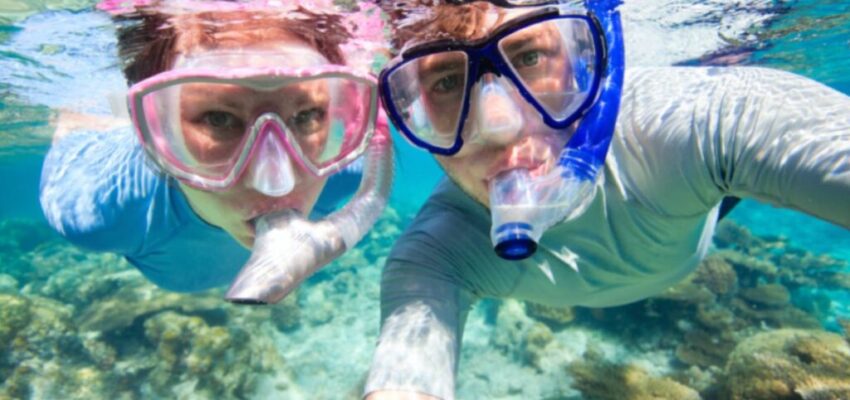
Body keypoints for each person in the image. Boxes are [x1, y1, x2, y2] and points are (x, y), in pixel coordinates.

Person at [363, 0, 850, 399]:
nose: (499, 125)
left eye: (530, 57)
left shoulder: (692, 123)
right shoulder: (435, 258)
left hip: (698, 201)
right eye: (446, 82)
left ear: (584, 58)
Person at [39, 0, 391, 303]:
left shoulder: (345, 174)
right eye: (219, 118)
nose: (277, 184)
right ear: (148, 127)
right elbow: (71, 132)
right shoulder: (100, 211)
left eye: (308, 114)